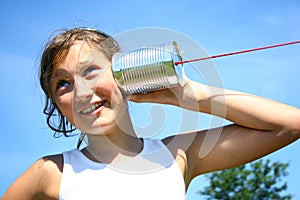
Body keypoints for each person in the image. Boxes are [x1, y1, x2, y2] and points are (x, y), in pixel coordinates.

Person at [2, 27, 299, 200]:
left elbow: (289, 125)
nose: (80, 92)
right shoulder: (51, 172)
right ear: (57, 103)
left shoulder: (177, 154)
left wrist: (190, 95)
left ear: (124, 72)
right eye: (63, 83)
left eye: (91, 70)